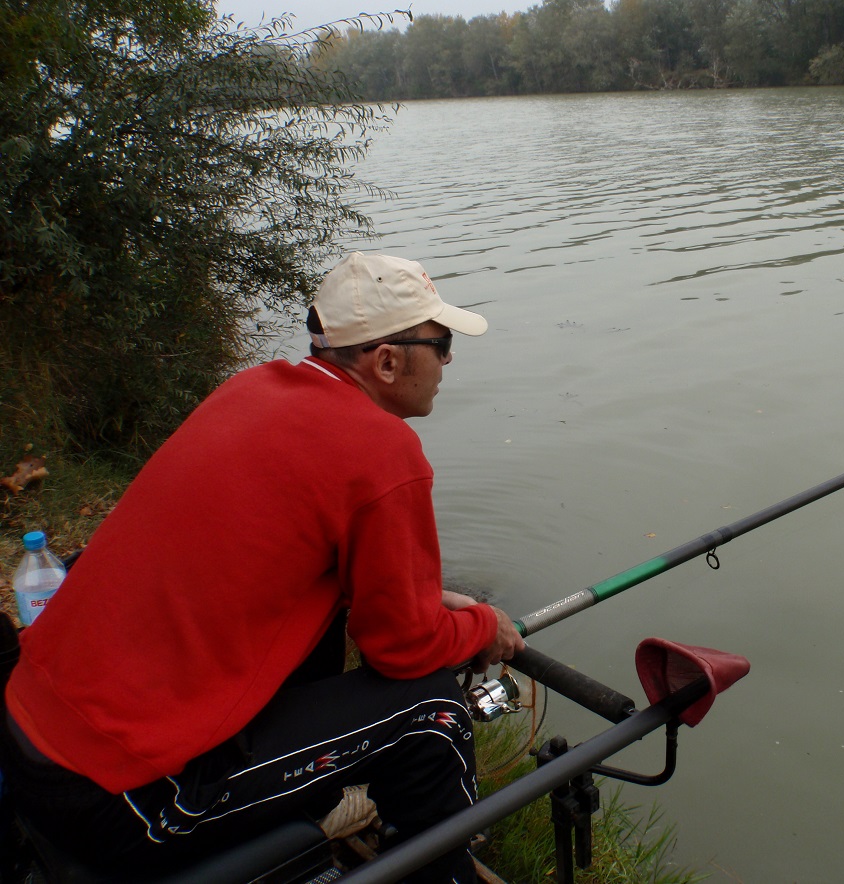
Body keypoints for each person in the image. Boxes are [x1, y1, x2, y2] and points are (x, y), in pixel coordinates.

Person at [2, 252, 524, 882]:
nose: (445, 364)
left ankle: (330, 812)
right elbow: (403, 648)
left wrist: (419, 591)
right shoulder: (381, 450)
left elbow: (278, 554)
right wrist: (484, 627)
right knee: (433, 715)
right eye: (441, 346)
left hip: (29, 735)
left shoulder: (251, 389)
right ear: (387, 361)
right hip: (123, 800)